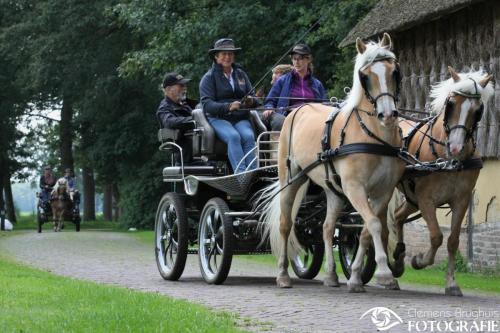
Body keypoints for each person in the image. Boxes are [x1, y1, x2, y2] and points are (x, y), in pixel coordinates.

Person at [199, 38, 258, 173]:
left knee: (248, 136)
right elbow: (207, 105)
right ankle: (242, 175)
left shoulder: (241, 74)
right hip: (219, 118)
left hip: (240, 117)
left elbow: (255, 98)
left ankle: (254, 174)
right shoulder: (208, 78)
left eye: (230, 53)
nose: (227, 57)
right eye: (224, 54)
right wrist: (228, 107)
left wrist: (251, 101)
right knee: (233, 136)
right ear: (216, 56)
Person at [263, 44, 327, 131]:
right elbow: (270, 100)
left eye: (300, 58)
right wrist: (269, 107)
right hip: (289, 116)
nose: (296, 62)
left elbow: (324, 104)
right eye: (294, 58)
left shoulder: (317, 84)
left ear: (308, 59)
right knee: (279, 122)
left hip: (312, 118)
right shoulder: (282, 80)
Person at [156, 72, 195, 164]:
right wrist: (195, 120)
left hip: (202, 152)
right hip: (186, 158)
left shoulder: (185, 104)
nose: (185, 88)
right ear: (169, 89)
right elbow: (169, 122)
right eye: (181, 86)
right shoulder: (164, 108)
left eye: (185, 85)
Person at [260, 64, 293, 131]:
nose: (274, 76)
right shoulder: (275, 86)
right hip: (280, 115)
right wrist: (269, 107)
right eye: (273, 73)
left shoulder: (288, 83)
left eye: (277, 73)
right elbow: (270, 101)